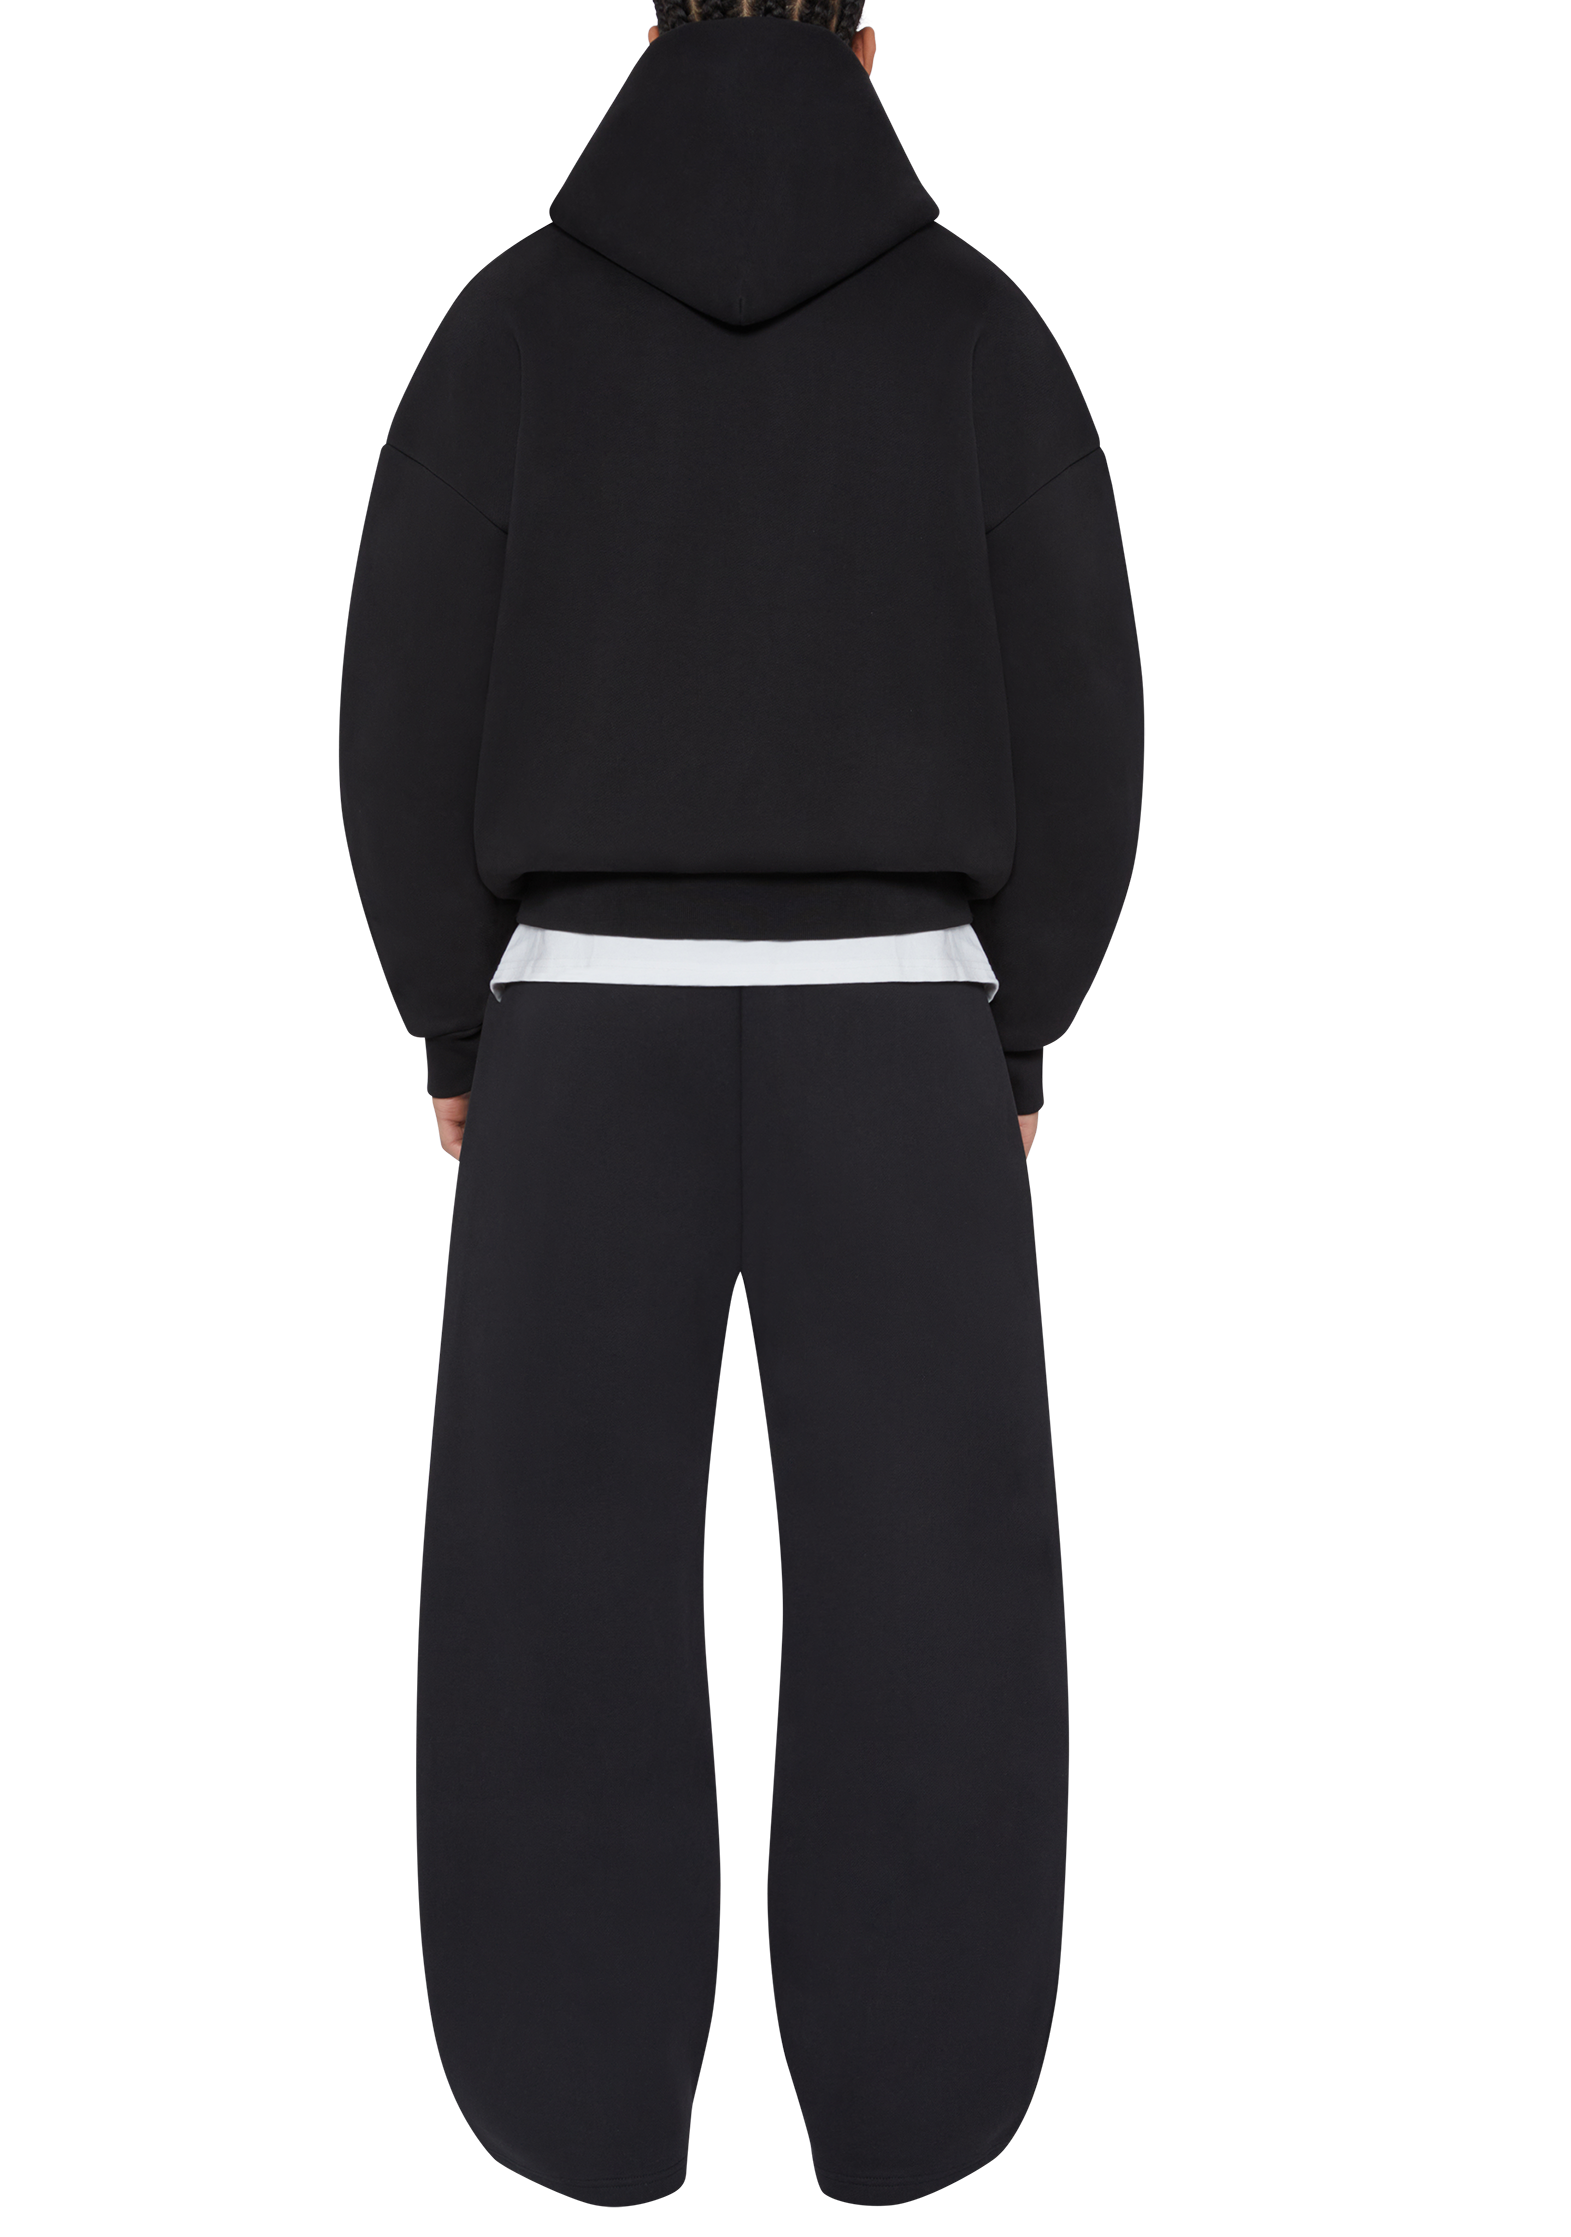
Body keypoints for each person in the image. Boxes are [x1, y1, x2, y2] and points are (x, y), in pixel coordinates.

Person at [339, 0, 1143, 2208]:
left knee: (548, 1586)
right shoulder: (981, 335)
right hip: (900, 1021)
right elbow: (1086, 703)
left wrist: (451, 1019)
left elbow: (397, 691)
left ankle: (568, 2119)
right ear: (866, 43)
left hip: (578, 1021)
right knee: (933, 1591)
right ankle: (921, 2118)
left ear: (647, 33)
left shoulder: (504, 332)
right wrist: (1019, 1027)